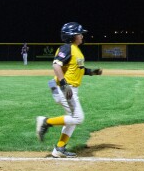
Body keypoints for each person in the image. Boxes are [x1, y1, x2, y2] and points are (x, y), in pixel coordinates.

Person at [35, 22, 102, 158]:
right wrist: (64, 85)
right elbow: (56, 65)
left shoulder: (76, 50)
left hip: (68, 88)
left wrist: (92, 72)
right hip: (64, 88)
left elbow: (78, 70)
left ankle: (59, 149)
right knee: (78, 118)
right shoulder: (67, 48)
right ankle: (46, 122)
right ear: (72, 36)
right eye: (79, 33)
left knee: (71, 119)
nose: (82, 36)